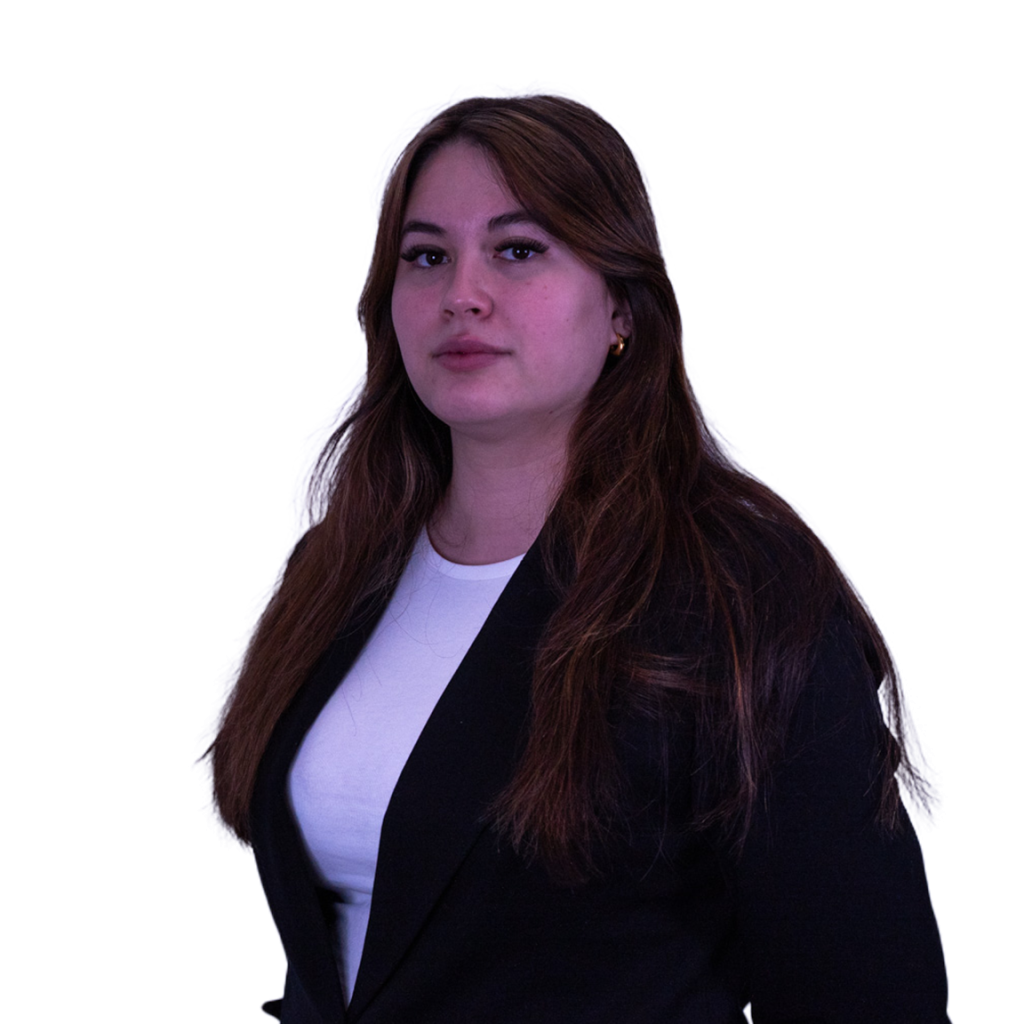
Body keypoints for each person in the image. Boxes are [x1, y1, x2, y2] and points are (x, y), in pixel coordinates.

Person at [195, 83, 950, 1022]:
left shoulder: (737, 589)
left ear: (622, 305)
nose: (462, 295)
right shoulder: (342, 565)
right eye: (426, 256)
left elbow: (869, 997)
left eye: (518, 250)